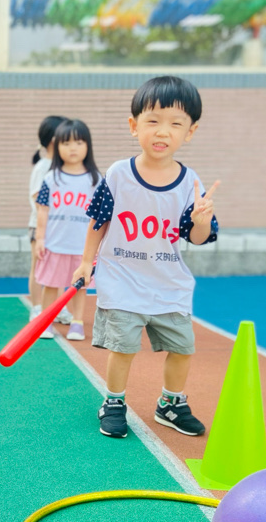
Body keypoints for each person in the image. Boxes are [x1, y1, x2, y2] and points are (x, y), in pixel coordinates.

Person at [72, 75, 220, 440]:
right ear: (133, 125)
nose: (162, 131)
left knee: (182, 349)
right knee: (123, 349)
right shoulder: (118, 174)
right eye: (153, 120)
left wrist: (201, 220)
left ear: (190, 132)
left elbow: (197, 237)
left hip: (168, 283)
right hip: (121, 278)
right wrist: (86, 262)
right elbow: (98, 220)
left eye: (176, 124)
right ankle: (114, 402)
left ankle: (170, 404)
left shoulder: (190, 182)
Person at [34, 119, 101, 342]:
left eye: (79, 142)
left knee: (79, 287)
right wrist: (40, 239)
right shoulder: (50, 178)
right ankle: (46, 322)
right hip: (54, 244)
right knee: (50, 285)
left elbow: (101, 217)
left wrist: (98, 246)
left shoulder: (96, 180)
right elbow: (42, 210)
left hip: (82, 248)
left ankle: (77, 322)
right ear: (57, 147)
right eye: (66, 143)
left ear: (88, 145)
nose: (73, 148)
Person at [28, 115, 67, 323]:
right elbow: (37, 198)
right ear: (53, 140)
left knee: (58, 269)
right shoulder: (43, 166)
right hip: (40, 227)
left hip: (59, 228)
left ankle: (57, 308)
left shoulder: (64, 167)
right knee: (38, 268)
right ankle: (36, 308)